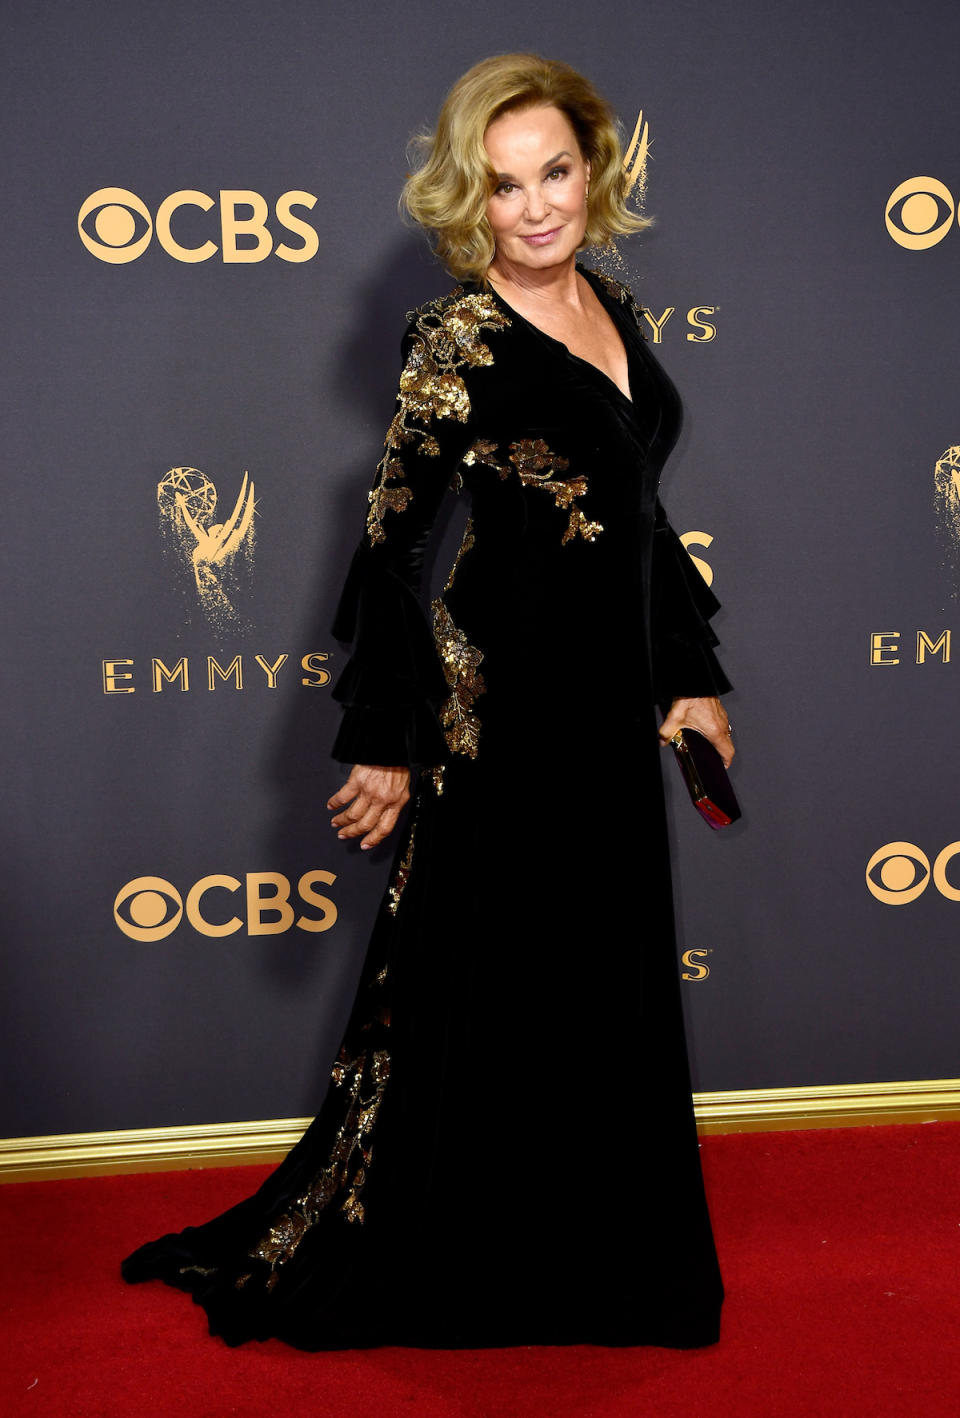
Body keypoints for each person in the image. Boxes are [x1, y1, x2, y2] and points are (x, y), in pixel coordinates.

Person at [122, 52, 734, 1351]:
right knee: (495, 991)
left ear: (594, 165)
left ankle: (602, 1265)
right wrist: (389, 738)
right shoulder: (454, 339)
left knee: (598, 988)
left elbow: (639, 516)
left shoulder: (611, 307)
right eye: (502, 185)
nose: (533, 207)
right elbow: (395, 544)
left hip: (609, 710)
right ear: (472, 197)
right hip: (502, 711)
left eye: (553, 172)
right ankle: (476, 1270)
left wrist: (687, 679)